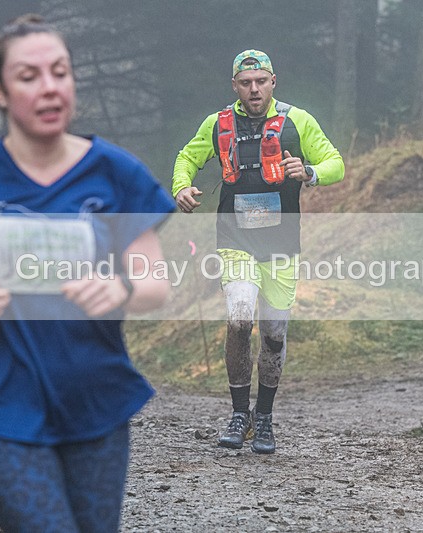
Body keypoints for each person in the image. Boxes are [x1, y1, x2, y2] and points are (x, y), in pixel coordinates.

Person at [0, 15, 175, 532]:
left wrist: (121, 287)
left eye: (60, 72)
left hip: (94, 403)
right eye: (29, 76)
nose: (49, 88)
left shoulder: (117, 174)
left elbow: (156, 283)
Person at [172, 50, 344, 454]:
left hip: (282, 243)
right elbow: (187, 157)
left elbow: (335, 162)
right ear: (235, 85)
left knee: (274, 334)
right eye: (246, 83)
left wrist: (311, 173)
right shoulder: (217, 123)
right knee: (238, 318)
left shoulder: (298, 121)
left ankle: (263, 418)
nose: (254, 89)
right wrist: (181, 185)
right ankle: (238, 413)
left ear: (273, 82)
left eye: (261, 81)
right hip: (235, 238)